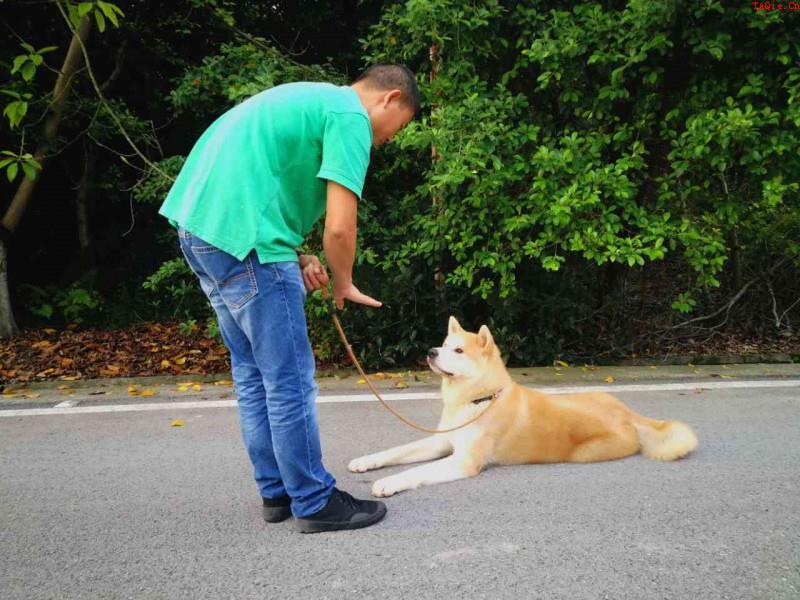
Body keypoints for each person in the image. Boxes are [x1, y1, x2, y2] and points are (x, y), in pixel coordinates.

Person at [158, 64, 419, 533]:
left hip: (201, 230)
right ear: (390, 98)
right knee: (290, 381)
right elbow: (340, 225)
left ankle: (277, 492)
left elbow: (258, 179)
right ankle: (315, 500)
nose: (386, 141)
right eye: (396, 130)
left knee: (254, 374)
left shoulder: (308, 99)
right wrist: (344, 281)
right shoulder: (350, 115)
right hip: (248, 241)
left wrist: (293, 253)